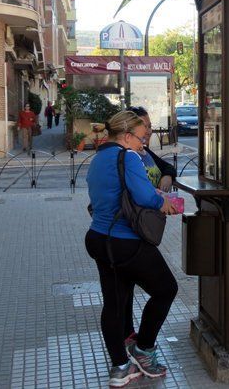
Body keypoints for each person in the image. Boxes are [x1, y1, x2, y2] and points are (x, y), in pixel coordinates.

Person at [85, 110, 179, 387]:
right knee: (166, 289)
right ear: (126, 136)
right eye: (140, 137)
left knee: (114, 303)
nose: (143, 143)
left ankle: (120, 368)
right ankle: (143, 349)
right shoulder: (128, 157)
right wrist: (164, 203)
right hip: (125, 242)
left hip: (99, 239)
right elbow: (144, 195)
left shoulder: (98, 157)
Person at [126, 106, 176, 192]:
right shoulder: (127, 156)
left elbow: (168, 167)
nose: (149, 131)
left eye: (149, 126)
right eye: (144, 127)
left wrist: (167, 176)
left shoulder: (144, 151)